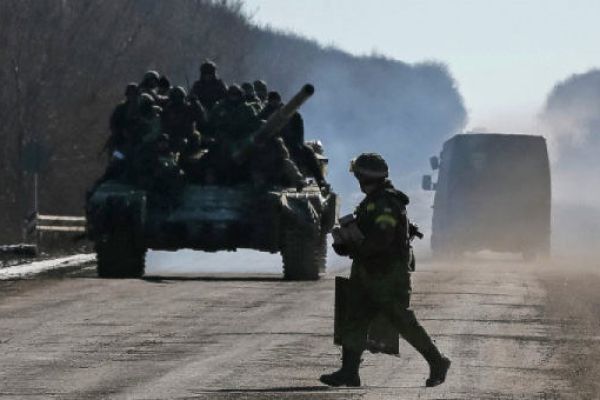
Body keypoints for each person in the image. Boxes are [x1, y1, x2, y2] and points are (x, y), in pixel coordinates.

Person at [320, 153, 450, 388]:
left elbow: (381, 239)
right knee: (355, 318)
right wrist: (344, 243)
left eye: (358, 175)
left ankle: (437, 361)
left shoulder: (386, 203)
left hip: (387, 274)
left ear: (364, 177)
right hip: (369, 271)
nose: (357, 180)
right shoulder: (372, 201)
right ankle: (349, 372)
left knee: (402, 320)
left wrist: (355, 246)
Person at [161, 86, 205, 155]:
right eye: (175, 97)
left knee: (195, 137)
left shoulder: (189, 108)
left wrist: (196, 103)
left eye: (179, 97)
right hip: (173, 136)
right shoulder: (168, 109)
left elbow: (200, 117)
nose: (177, 100)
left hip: (188, 135)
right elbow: (164, 124)